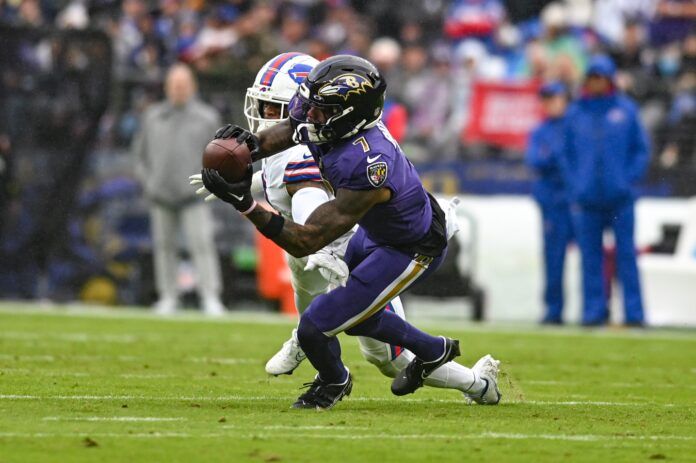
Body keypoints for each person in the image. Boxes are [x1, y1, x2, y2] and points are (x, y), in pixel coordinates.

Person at [200, 55, 501, 409]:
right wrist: (249, 148)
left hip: (409, 247)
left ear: (349, 115)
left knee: (315, 327)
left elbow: (306, 240)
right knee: (359, 321)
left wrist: (244, 205)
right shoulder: (328, 115)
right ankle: (435, 351)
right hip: (378, 231)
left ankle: (333, 382)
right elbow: (291, 129)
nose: (309, 114)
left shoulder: (368, 163)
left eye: (320, 111)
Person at [561, 55, 650, 326]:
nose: (596, 82)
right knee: (590, 259)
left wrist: (627, 179)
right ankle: (593, 312)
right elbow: (565, 154)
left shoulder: (627, 110)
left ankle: (634, 314)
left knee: (627, 257)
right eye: (592, 77)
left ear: (609, 79)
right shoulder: (575, 113)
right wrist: (576, 184)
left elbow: (641, 150)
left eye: (601, 77)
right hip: (587, 199)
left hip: (620, 199)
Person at [132, 63, 225, 316]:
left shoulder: (207, 117)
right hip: (160, 194)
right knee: (163, 247)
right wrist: (148, 180)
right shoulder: (152, 116)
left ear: (192, 87)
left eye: (183, 85)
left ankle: (210, 297)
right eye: (174, 85)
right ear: (166, 87)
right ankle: (168, 296)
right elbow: (140, 155)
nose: (178, 90)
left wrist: (209, 183)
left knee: (202, 245)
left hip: (194, 196)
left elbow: (218, 155)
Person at [525, 82, 573, 325]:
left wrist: (553, 155)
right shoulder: (540, 130)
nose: (550, 103)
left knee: (593, 257)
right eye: (546, 99)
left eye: (555, 97)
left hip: (576, 199)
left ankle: (595, 311)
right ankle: (554, 311)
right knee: (553, 258)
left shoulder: (574, 125)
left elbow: (550, 158)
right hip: (554, 201)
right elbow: (535, 160)